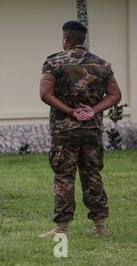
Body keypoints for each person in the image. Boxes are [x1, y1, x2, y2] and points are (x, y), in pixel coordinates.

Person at [39, 20, 121, 238]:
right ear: (82, 40)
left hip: (64, 131)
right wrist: (92, 110)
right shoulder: (102, 64)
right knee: (92, 174)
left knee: (64, 176)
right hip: (91, 129)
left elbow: (45, 94)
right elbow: (115, 95)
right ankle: (100, 227)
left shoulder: (54, 62)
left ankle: (62, 229)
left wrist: (70, 111)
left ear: (65, 38)